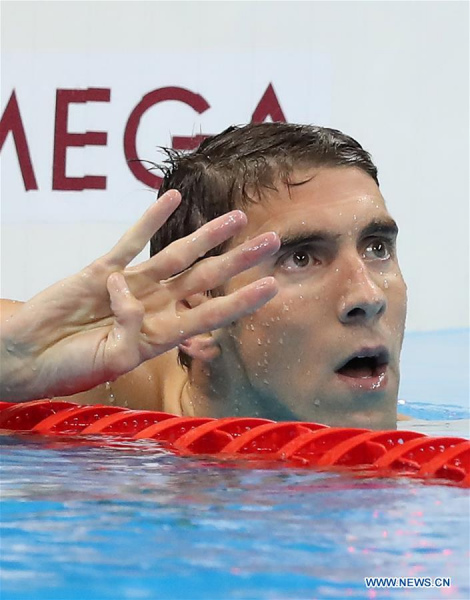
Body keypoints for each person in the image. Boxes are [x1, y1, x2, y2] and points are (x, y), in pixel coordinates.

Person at [0, 123, 407, 429]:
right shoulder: (95, 401)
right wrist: (11, 365)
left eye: (376, 248)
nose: (368, 296)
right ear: (194, 315)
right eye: (300, 258)